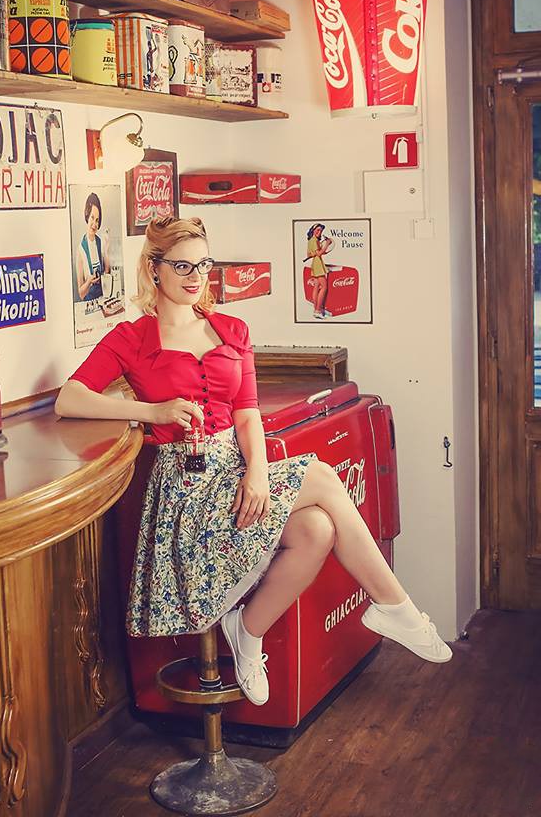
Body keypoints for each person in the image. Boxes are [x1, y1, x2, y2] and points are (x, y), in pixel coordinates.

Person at [56, 216, 452, 707]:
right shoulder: (131, 338)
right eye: (182, 266)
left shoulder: (232, 329)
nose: (196, 276)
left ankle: (248, 629)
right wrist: (151, 412)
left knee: (317, 530)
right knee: (320, 475)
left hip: (235, 470)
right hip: (185, 492)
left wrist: (258, 474)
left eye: (203, 264)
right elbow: (70, 399)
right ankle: (393, 605)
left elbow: (246, 414)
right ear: (154, 268)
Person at [75, 192, 110, 303]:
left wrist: (106, 251)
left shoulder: (101, 243)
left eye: (97, 220)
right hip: (89, 303)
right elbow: (81, 294)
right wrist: (89, 281)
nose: (94, 224)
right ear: (87, 216)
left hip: (103, 299)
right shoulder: (80, 250)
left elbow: (107, 274)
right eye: (92, 218)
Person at [306, 222, 332, 319]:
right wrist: (327, 244)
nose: (319, 232)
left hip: (315, 263)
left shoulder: (311, 240)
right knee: (324, 287)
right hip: (318, 264)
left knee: (316, 286)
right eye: (317, 230)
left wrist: (323, 249)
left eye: (321, 231)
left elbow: (310, 254)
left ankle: (315, 310)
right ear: (313, 230)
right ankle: (318, 310)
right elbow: (319, 253)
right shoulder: (314, 241)